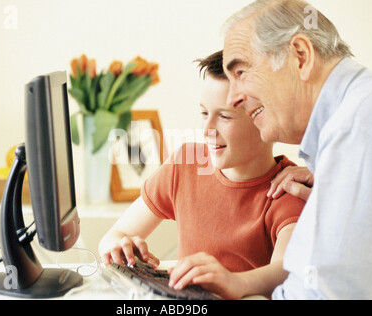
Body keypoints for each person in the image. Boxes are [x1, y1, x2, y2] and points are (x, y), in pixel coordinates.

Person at [98, 50, 305, 299]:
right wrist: (119, 248)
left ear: (266, 120)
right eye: (205, 113)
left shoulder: (289, 190)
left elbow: (287, 271)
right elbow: (111, 238)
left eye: (225, 116)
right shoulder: (185, 165)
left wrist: (232, 282)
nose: (207, 130)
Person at [222, 0, 372, 299]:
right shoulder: (362, 113)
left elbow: (330, 294)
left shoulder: (353, 130)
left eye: (241, 72)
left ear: (300, 56)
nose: (231, 98)